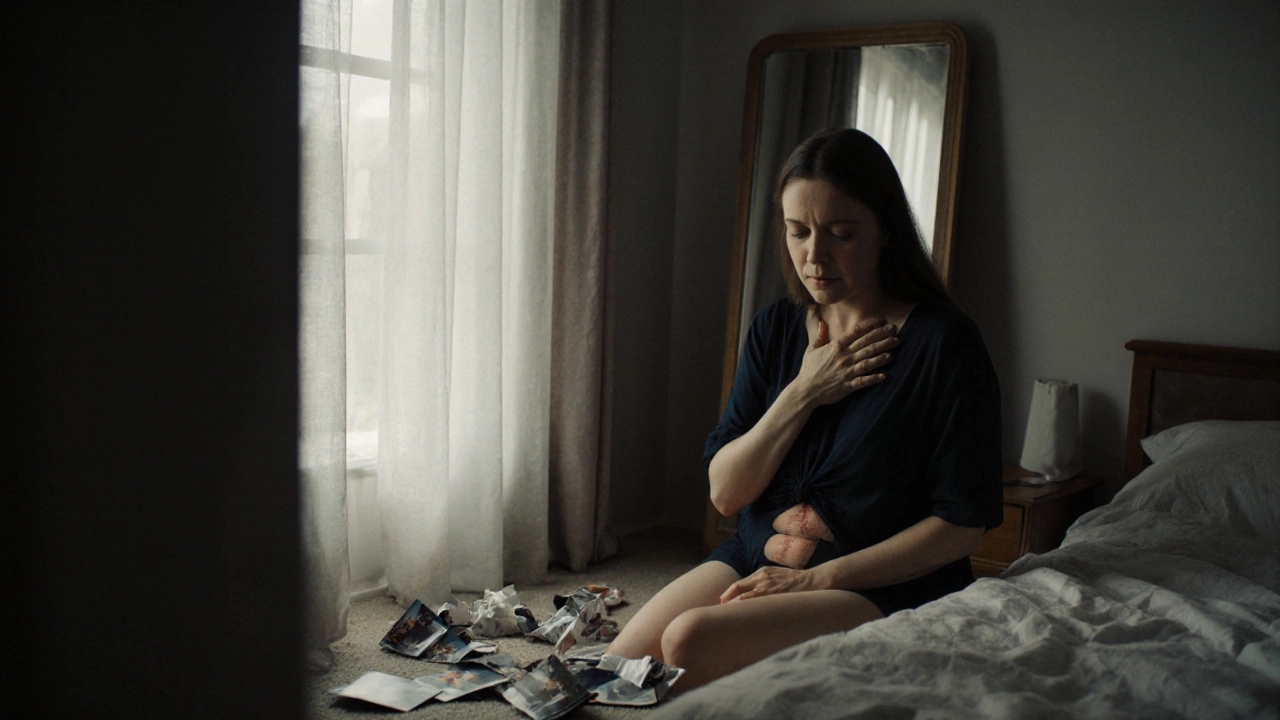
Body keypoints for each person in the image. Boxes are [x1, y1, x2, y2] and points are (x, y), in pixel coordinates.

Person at [604, 128, 1003, 693]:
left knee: (689, 641)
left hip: (873, 585)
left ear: (886, 230)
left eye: (841, 234)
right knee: (615, 667)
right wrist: (804, 391)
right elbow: (725, 494)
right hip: (753, 555)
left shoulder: (945, 343)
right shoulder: (775, 329)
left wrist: (818, 579)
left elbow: (962, 528)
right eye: (798, 232)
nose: (814, 257)